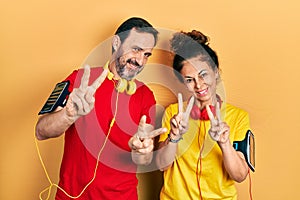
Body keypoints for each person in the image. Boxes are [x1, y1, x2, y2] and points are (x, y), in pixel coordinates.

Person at [35, 17, 167, 200]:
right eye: (136, 49)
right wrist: (68, 115)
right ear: (116, 42)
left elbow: (143, 159)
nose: (140, 61)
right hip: (71, 196)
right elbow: (41, 131)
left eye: (146, 54)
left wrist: (141, 151)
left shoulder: (146, 95)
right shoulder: (79, 79)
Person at [156, 30, 251, 199]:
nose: (199, 85)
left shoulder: (238, 117)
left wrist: (224, 143)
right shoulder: (173, 114)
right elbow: (162, 165)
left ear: (215, 72)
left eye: (203, 75)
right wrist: (174, 136)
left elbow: (240, 176)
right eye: (189, 79)